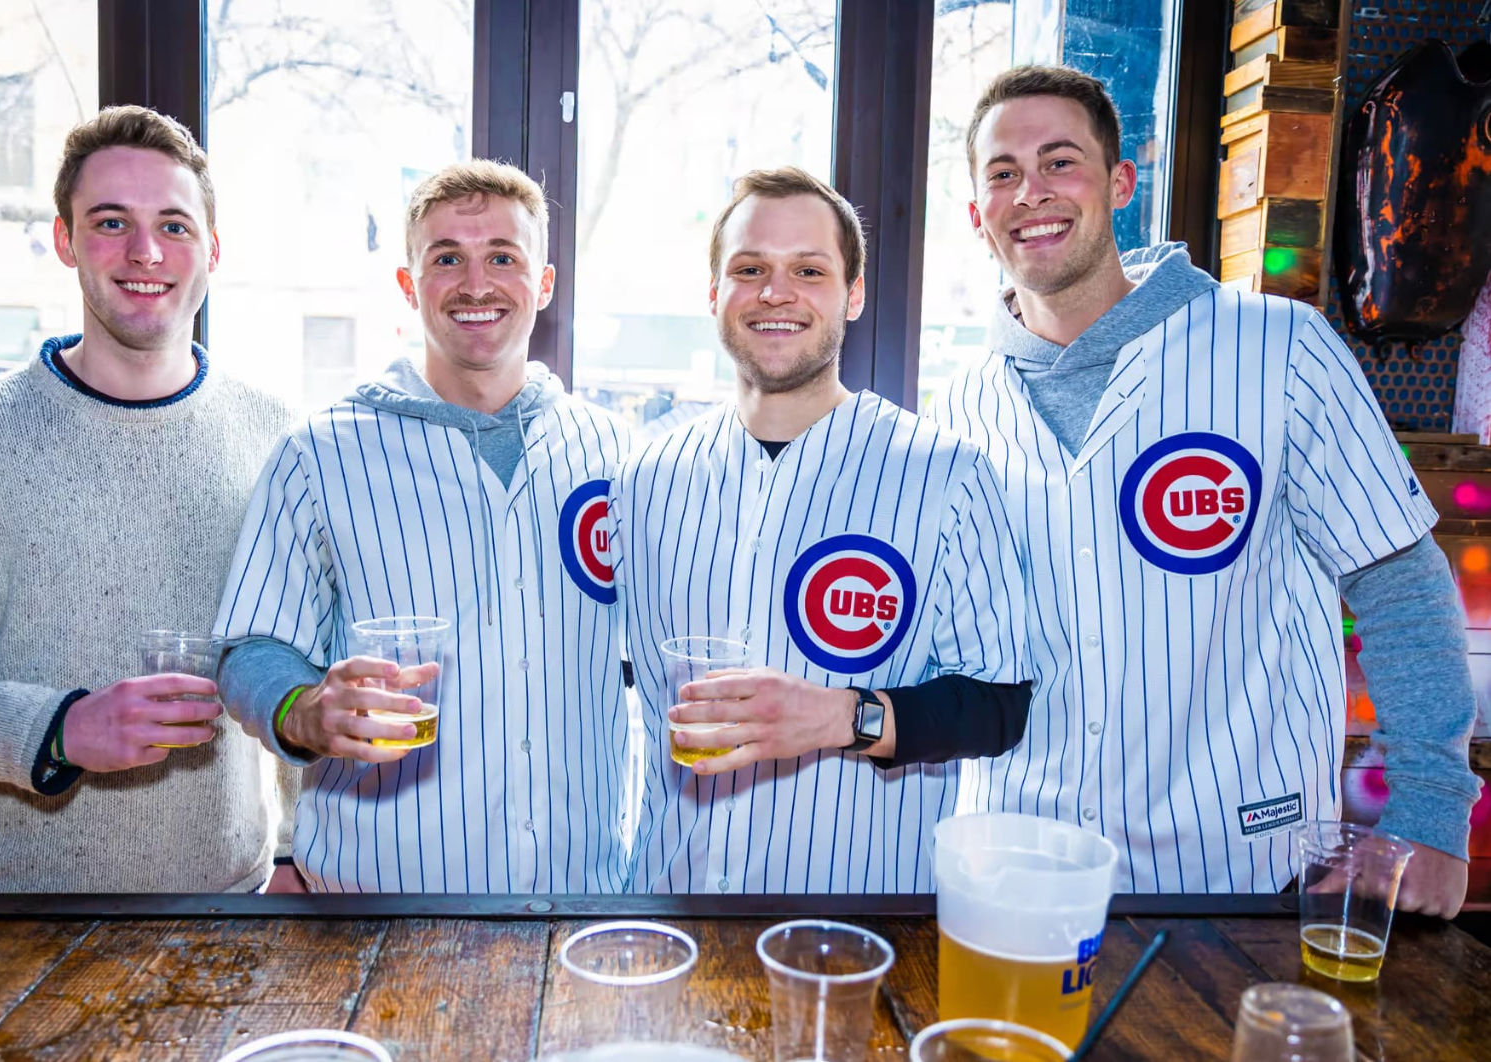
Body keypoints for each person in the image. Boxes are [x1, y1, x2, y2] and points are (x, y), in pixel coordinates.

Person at [931, 65, 1482, 915]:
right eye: (1002, 173)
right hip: (1022, 875)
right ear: (976, 213)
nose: (1030, 191)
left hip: (1235, 867)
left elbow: (1401, 587)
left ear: (1121, 183)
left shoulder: (1278, 349)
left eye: (1059, 162)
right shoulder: (955, 410)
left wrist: (1432, 817)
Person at [0, 106, 293, 892]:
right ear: (65, 241)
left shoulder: (278, 440)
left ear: (214, 249)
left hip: (227, 910)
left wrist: (294, 853)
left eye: (175, 226)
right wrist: (60, 728)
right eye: (112, 222)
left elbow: (302, 659)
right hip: (1, 927)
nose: (146, 252)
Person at [611, 167, 1034, 894]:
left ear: (854, 294)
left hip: (858, 921)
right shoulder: (643, 477)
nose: (776, 293)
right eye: (750, 270)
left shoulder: (944, 472)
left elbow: (998, 707)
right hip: (668, 903)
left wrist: (842, 716)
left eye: (809, 270)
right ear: (714, 294)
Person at [214, 159, 630, 893]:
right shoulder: (320, 452)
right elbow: (252, 650)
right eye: (447, 259)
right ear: (409, 287)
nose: (476, 284)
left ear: (544, 284)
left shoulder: (614, 452)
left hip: (580, 893)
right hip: (379, 898)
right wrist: (306, 710)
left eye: (503, 257)